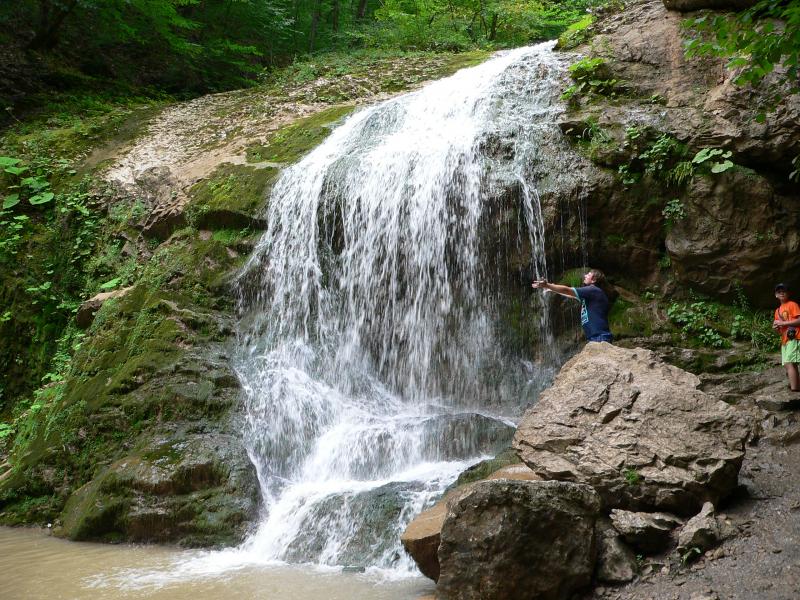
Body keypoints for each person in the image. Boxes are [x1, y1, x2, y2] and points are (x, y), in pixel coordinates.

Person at [532, 269, 613, 343]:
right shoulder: (590, 296)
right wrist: (552, 288)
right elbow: (571, 294)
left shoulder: (593, 290)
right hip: (595, 338)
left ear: (594, 280)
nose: (585, 275)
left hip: (600, 338)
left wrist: (548, 285)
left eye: (588, 274)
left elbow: (567, 290)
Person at [772, 283, 800, 392]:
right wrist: (776, 327)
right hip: (785, 340)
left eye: (784, 291)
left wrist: (783, 324)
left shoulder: (792, 304)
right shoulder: (777, 311)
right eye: (779, 291)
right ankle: (797, 386)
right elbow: (779, 330)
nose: (781, 293)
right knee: (788, 364)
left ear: (788, 294)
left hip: (795, 337)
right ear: (776, 295)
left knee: (789, 362)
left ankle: (794, 389)